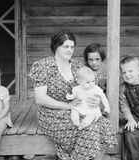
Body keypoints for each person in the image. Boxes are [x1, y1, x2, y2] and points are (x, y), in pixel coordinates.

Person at [29, 31, 117, 160]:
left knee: (103, 125)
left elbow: (92, 87)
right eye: (65, 46)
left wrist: (96, 101)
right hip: (53, 114)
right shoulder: (43, 66)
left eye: (72, 47)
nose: (70, 50)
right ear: (56, 47)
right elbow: (40, 99)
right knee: (89, 130)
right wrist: (68, 105)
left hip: (80, 109)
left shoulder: (78, 66)